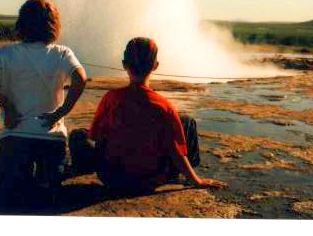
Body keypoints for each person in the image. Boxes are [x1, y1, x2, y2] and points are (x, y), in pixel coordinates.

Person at [69, 37, 225, 192]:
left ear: (124, 64)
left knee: (78, 135)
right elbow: (176, 152)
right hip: (150, 179)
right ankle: (185, 174)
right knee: (187, 122)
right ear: (155, 66)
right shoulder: (164, 106)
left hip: (111, 177)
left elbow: (97, 137)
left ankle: (79, 170)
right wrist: (196, 181)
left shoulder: (111, 98)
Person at [0, 0, 86, 207]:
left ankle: (21, 181)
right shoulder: (62, 53)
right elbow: (80, 78)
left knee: (11, 186)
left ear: (21, 24)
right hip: (51, 139)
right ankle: (46, 179)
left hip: (15, 137)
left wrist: (7, 105)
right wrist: (61, 112)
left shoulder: (5, 54)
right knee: (46, 189)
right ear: (54, 24)